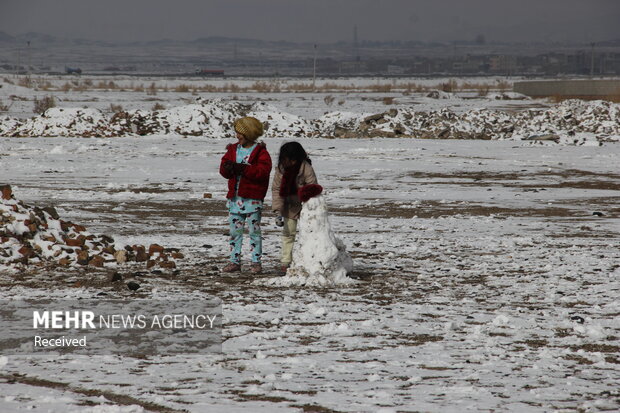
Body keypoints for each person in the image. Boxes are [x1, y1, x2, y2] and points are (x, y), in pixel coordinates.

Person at [219, 116, 272, 274]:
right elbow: (224, 172)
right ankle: (234, 261)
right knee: (235, 232)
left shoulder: (261, 153)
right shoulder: (233, 150)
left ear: (249, 134)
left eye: (240, 133)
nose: (237, 136)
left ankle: (256, 262)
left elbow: (262, 173)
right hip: (235, 199)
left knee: (254, 232)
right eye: (236, 133)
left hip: (252, 200)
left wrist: (242, 168)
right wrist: (227, 168)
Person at [271, 142, 318, 274]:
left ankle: (309, 260)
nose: (287, 162)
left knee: (308, 234)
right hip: (288, 206)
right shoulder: (281, 169)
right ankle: (286, 261)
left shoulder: (305, 168)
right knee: (288, 233)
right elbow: (276, 190)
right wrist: (278, 211)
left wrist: (308, 204)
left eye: (290, 159)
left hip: (305, 206)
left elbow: (313, 186)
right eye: (284, 159)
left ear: (296, 158)